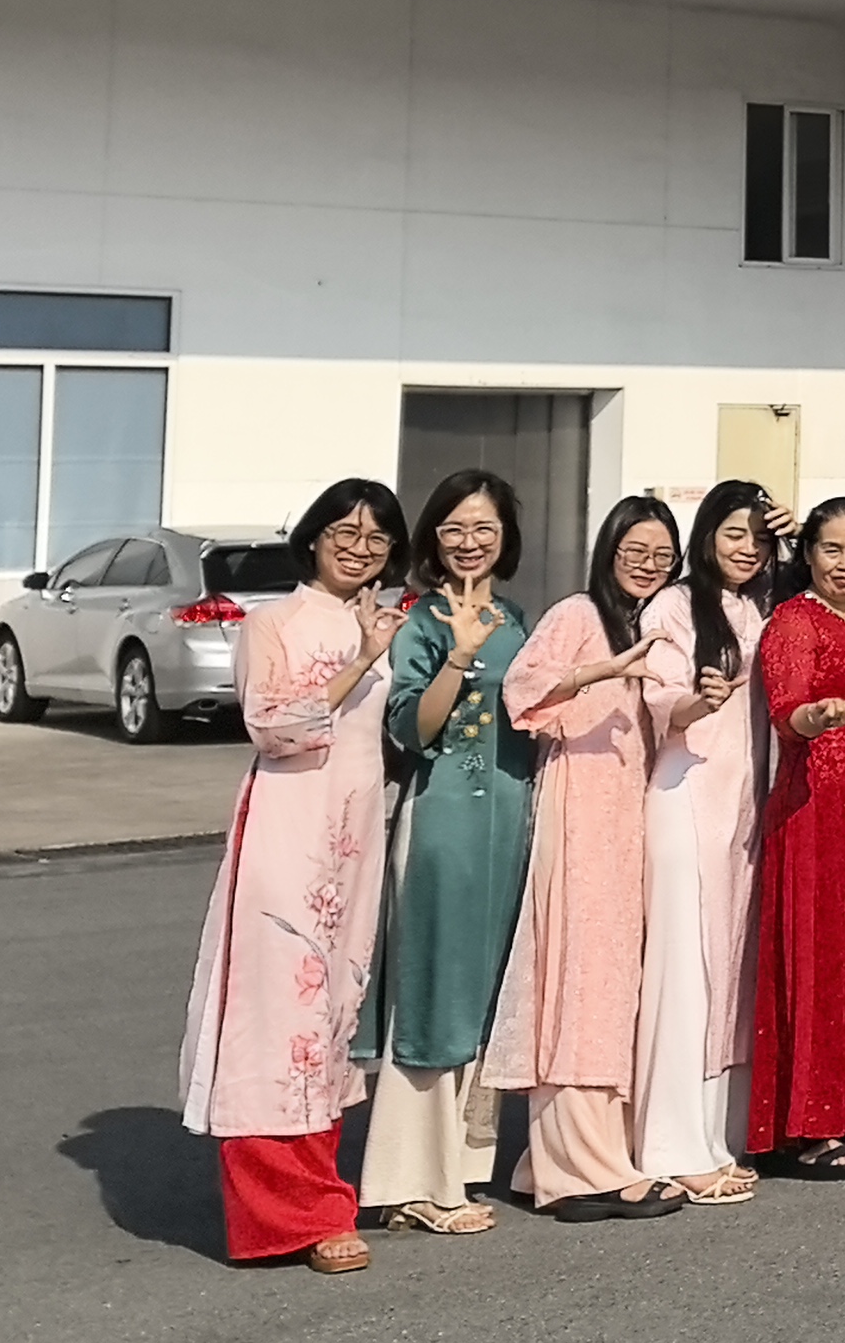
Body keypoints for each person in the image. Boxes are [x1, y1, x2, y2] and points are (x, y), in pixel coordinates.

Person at [179, 478, 405, 1271]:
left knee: (332, 1011)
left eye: (376, 537)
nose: (359, 548)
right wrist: (363, 658)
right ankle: (289, 1215)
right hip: (288, 830)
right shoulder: (269, 623)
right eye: (345, 532)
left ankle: (320, 1195)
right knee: (279, 1012)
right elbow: (274, 728)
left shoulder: (379, 622)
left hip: (353, 838)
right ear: (313, 538)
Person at [486, 496, 692, 1217]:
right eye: (635, 551)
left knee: (612, 982)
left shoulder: (653, 624)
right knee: (579, 980)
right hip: (580, 807)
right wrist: (601, 671)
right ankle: (579, 1169)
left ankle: (563, 1155)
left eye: (661, 555)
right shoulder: (578, 614)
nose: (647, 565)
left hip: (627, 816)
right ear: (608, 550)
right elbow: (522, 689)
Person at [358, 470, 535, 1234]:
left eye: (484, 528)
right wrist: (459, 658)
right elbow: (411, 729)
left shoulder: (516, 617)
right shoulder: (422, 622)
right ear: (432, 538)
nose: (469, 542)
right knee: (434, 987)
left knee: (484, 990)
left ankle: (460, 1167)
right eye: (454, 528)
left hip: (510, 819)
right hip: (443, 822)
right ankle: (407, 1181)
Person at [748, 497, 845, 1177]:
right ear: (808, 553)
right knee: (818, 956)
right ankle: (808, 1123)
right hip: (815, 805)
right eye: (832, 549)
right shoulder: (794, 620)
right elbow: (787, 713)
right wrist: (818, 716)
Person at [633, 483, 778, 1200]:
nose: (747, 548)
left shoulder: (759, 608)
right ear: (706, 536)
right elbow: (660, 699)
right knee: (685, 973)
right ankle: (670, 1142)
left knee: (727, 970)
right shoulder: (673, 604)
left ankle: (714, 1135)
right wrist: (698, 701)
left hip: (740, 808)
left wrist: (797, 535)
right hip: (687, 795)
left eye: (759, 536)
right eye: (733, 534)